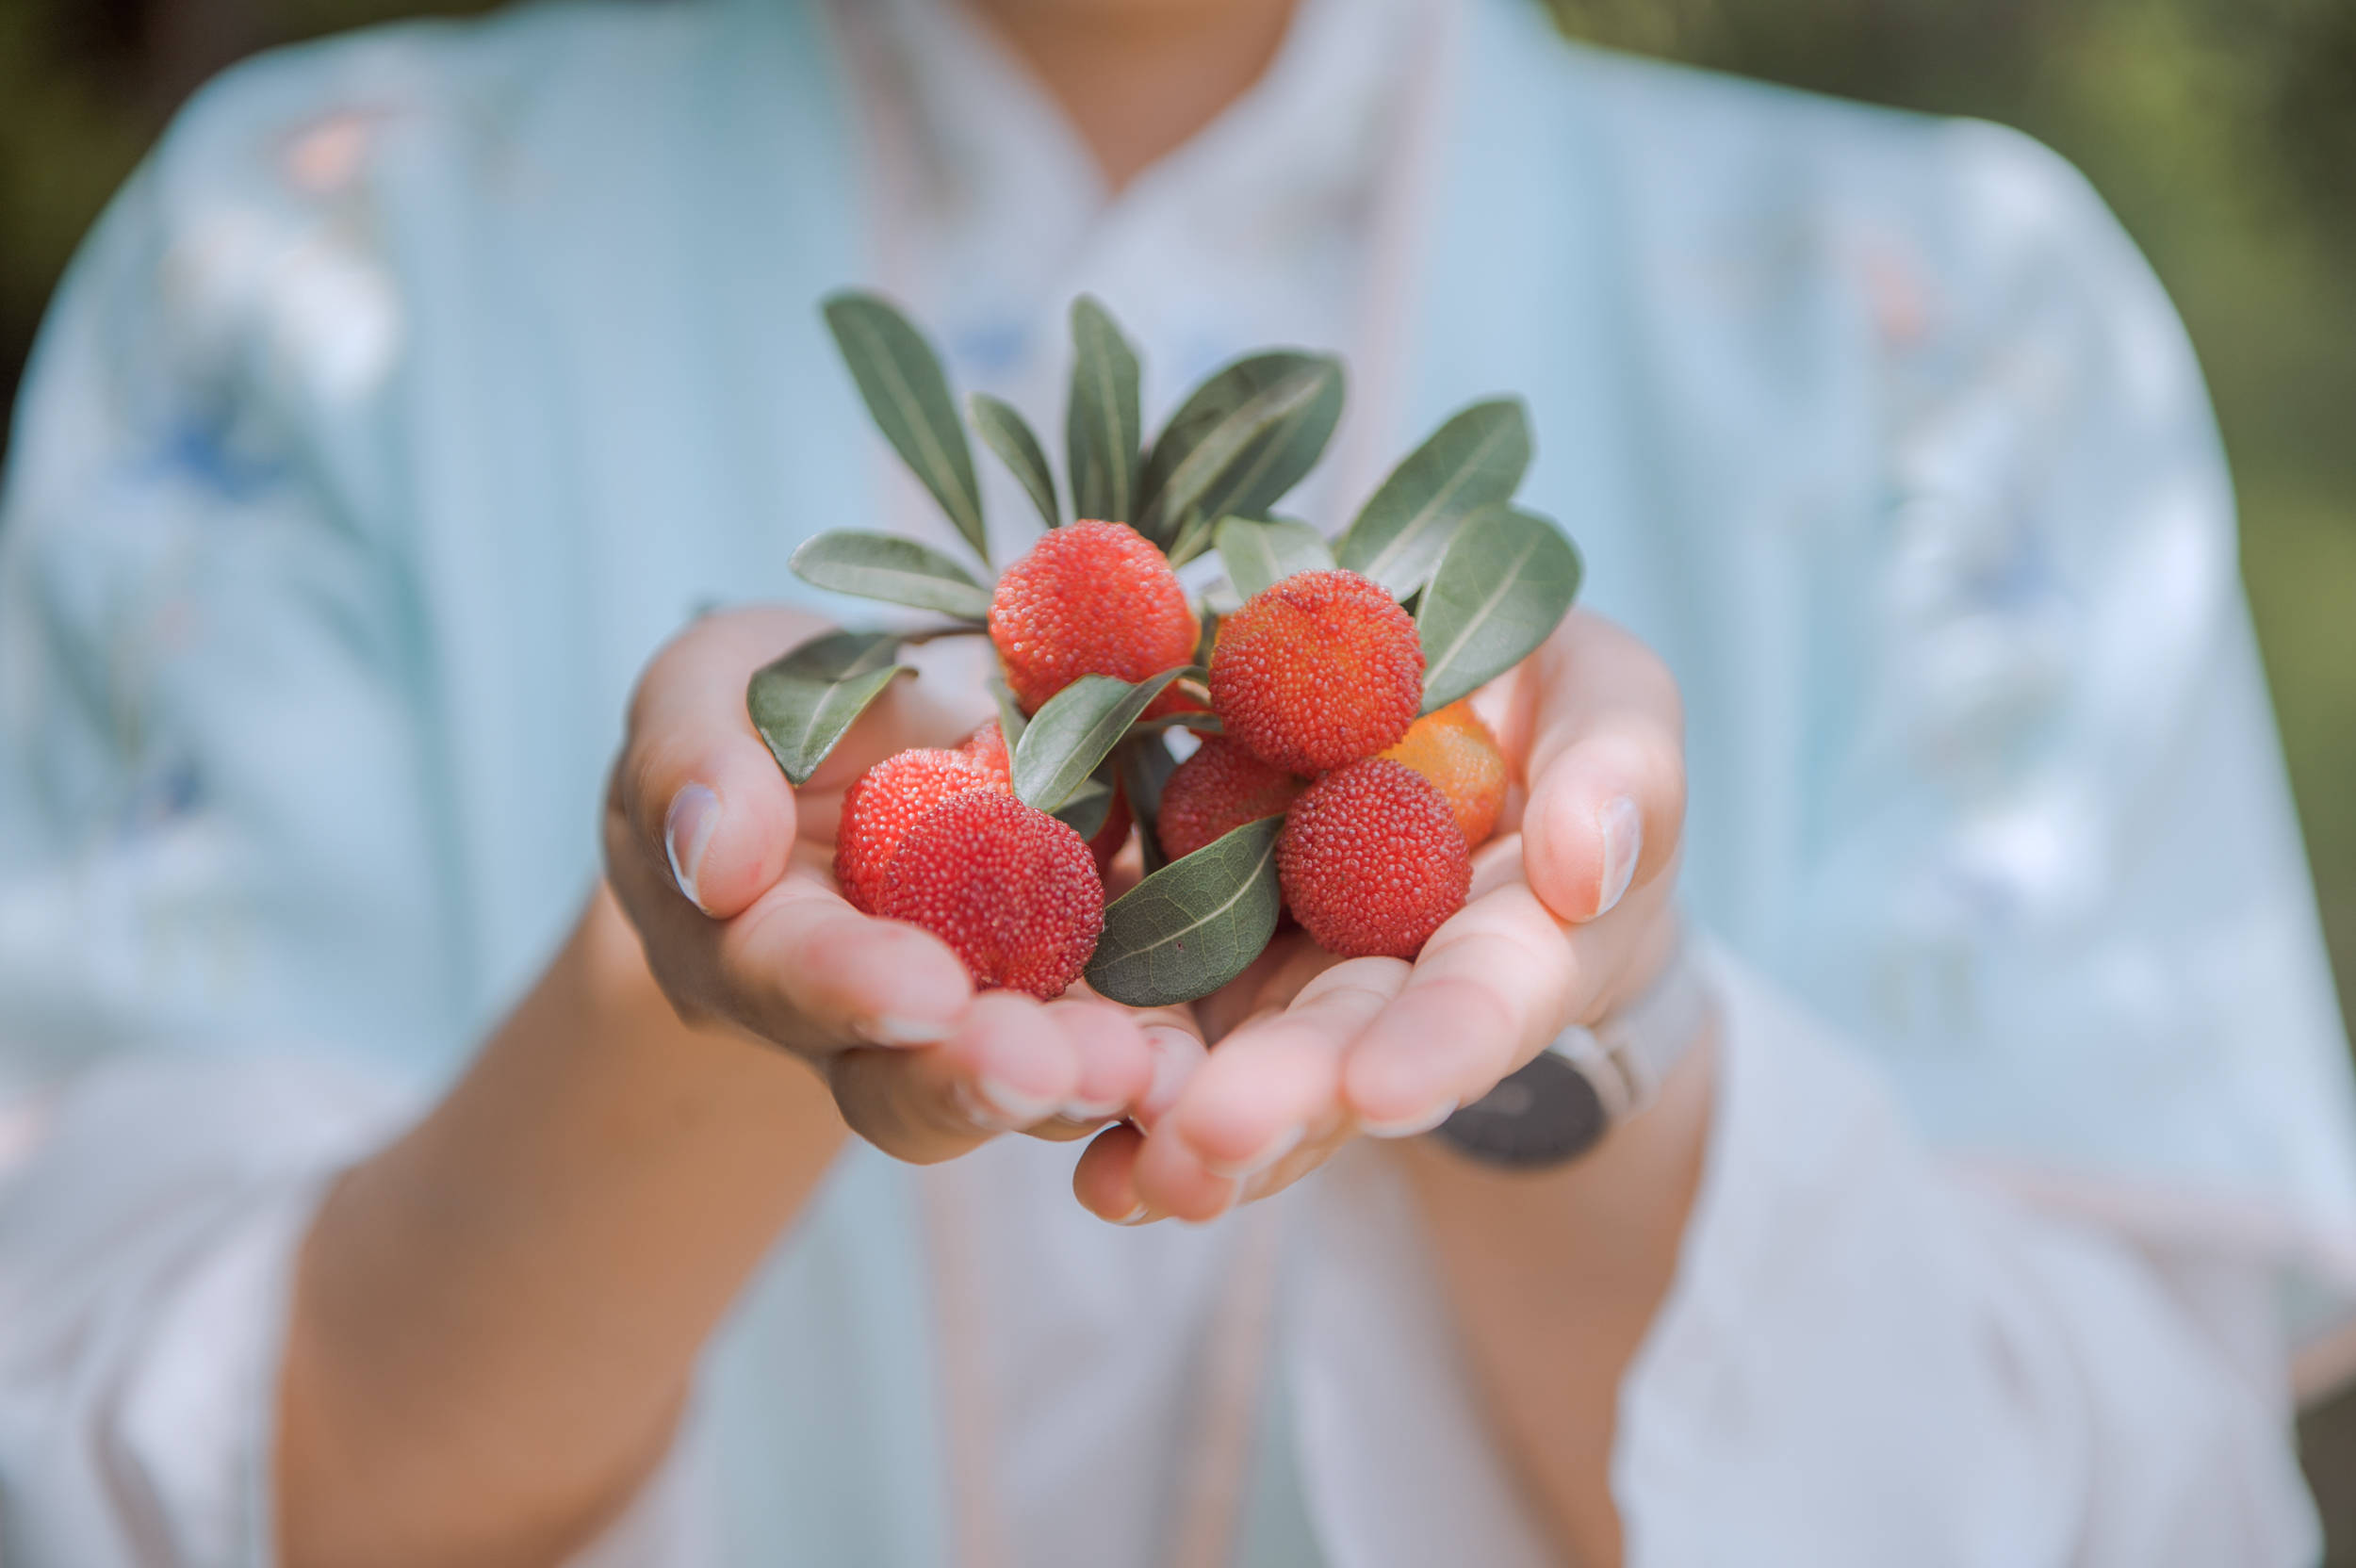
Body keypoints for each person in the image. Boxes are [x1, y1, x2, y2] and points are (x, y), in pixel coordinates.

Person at [2, 0, 2351, 1561]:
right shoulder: (302, 260)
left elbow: (2146, 1516)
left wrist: (1570, 1054)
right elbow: (127, 1477)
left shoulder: (1946, 331)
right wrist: (691, 1001)